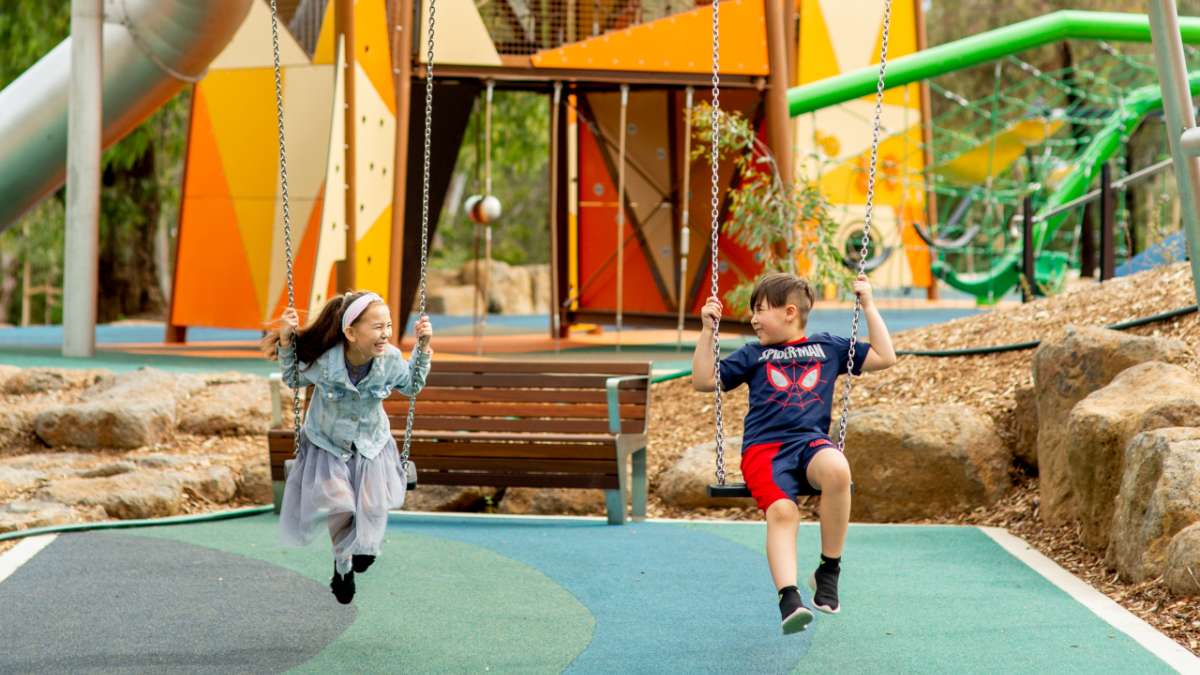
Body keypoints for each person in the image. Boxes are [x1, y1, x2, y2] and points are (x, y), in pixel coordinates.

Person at [692, 272, 896, 634]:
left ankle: (828, 570)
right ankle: (789, 598)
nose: (753, 319)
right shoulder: (754, 354)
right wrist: (708, 331)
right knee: (783, 512)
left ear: (789, 312)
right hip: (765, 450)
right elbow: (704, 381)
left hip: (810, 443)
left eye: (760, 310)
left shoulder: (828, 346)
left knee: (838, 470)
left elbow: (885, 356)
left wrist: (868, 303)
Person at [262, 290, 433, 604]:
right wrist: (287, 342)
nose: (386, 334)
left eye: (388, 326)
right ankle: (343, 565)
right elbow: (293, 378)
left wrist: (423, 347)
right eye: (377, 327)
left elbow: (412, 386)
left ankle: (365, 550)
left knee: (372, 504)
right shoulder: (327, 362)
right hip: (327, 444)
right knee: (341, 504)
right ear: (351, 332)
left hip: (371, 443)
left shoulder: (391, 360)